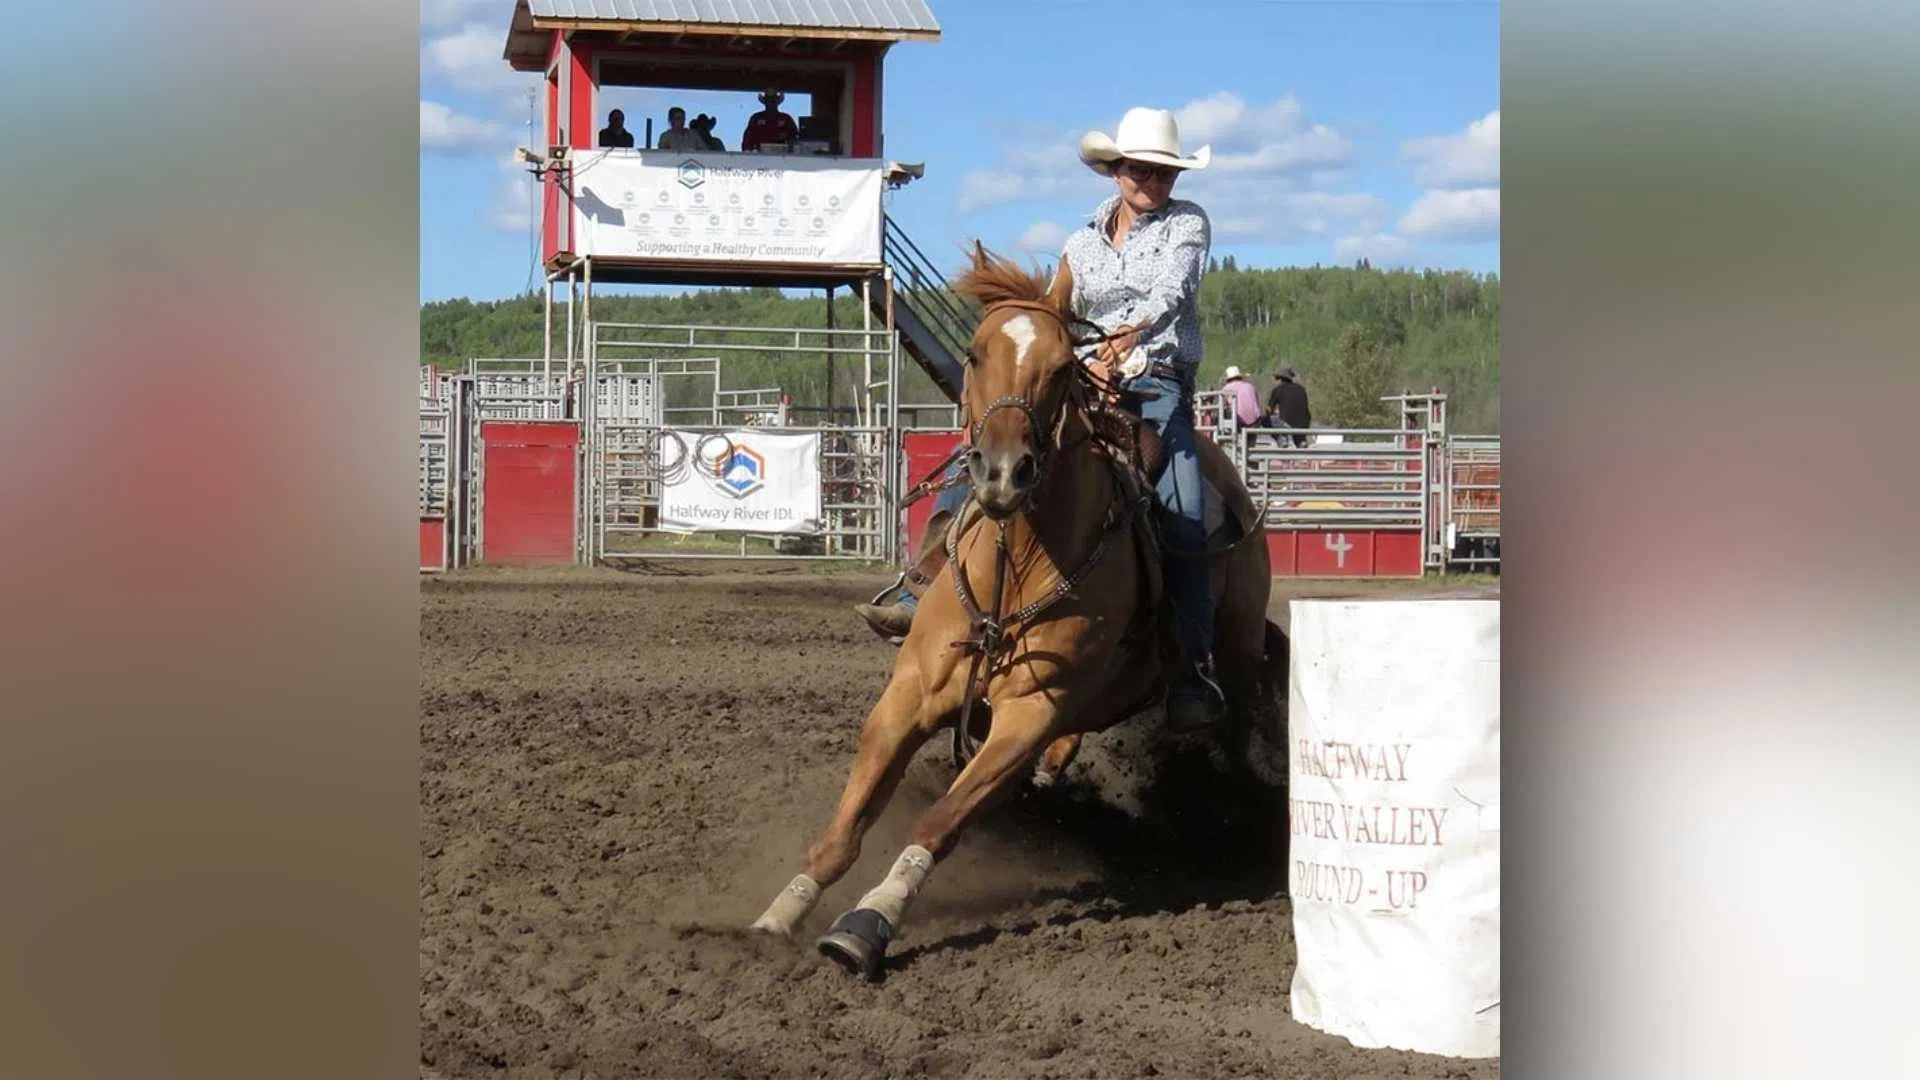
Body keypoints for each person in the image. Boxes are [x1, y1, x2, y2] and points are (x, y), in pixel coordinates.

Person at [854, 106, 1225, 730]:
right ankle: (923, 584)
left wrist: (1128, 342)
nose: (1152, 182)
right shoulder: (1080, 244)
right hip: (1079, 378)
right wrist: (1066, 358)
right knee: (992, 449)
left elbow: (1174, 292)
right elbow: (1059, 310)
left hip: (1156, 385)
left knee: (1185, 515)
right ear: (1116, 171)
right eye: (1141, 170)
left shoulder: (1187, 226)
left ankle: (1192, 666)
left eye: (1163, 173)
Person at [1266, 366, 1311, 447]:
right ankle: (1301, 440)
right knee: (1298, 421)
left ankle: (1282, 439)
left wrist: (1271, 416)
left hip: (1287, 423)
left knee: (1266, 419)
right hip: (1304, 423)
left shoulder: (1278, 390)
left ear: (1280, 379)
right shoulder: (1301, 389)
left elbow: (1269, 409)